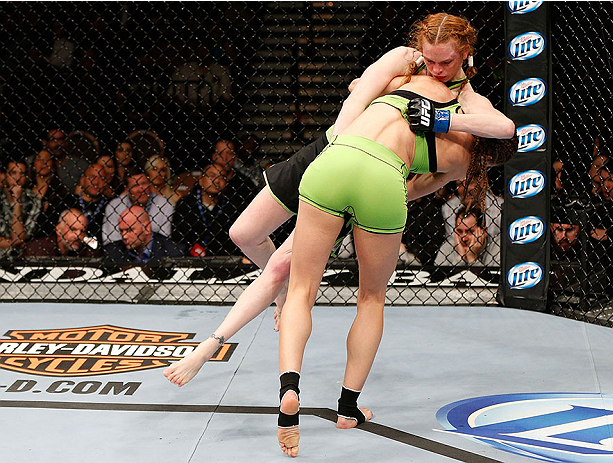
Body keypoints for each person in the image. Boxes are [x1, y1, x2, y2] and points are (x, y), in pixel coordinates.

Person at [163, 14, 514, 393]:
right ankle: (283, 293)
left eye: (445, 62)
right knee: (244, 233)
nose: (436, 69)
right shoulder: (405, 60)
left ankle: (211, 344)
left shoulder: (466, 99)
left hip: (368, 175)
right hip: (332, 148)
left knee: (284, 266)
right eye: (431, 59)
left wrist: (442, 119)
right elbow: (358, 95)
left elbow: (504, 130)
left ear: (465, 53)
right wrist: (341, 146)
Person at [172, 163, 255, 256]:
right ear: (200, 179)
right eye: (212, 176)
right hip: (189, 257)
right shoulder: (186, 204)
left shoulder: (232, 207)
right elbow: (177, 237)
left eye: (222, 177)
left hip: (224, 259)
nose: (217, 181)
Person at [102, 168, 174, 245]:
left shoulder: (164, 205)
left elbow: (165, 239)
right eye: (135, 185)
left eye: (144, 183)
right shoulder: (114, 206)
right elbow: (110, 240)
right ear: (127, 189)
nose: (141, 189)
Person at [103, 205, 183, 264]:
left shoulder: (173, 252)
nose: (124, 236)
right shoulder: (112, 252)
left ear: (147, 228)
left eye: (130, 230)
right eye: (121, 231)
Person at [0, 159, 42, 259]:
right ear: (5, 175)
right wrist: (15, 243)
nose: (17, 178)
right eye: (13, 173)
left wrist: (17, 202)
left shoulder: (33, 200)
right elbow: (17, 242)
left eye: (22, 174)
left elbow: (19, 238)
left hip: (22, 258)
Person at [22, 208, 101, 257]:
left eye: (82, 231)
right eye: (73, 229)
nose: (78, 235)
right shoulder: (36, 250)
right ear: (59, 229)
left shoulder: (90, 255)